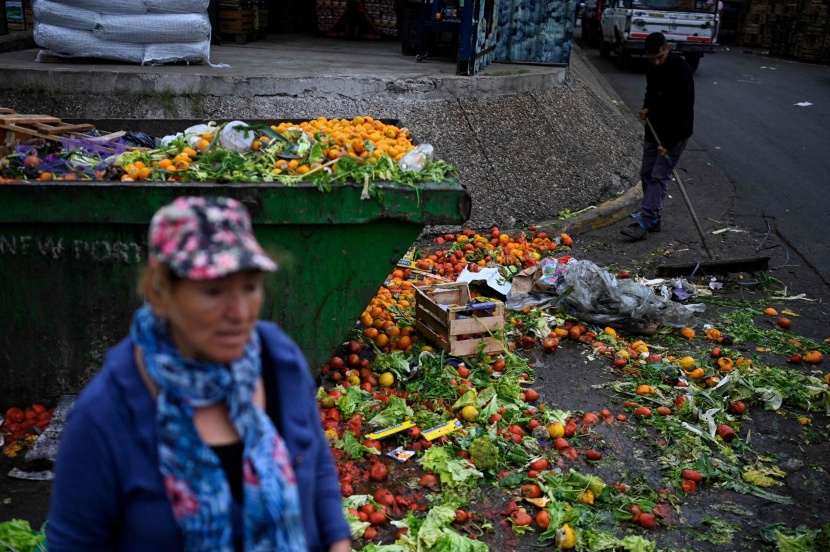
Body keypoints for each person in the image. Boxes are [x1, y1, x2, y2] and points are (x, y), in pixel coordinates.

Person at [47, 196, 352, 552]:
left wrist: (338, 541)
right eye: (213, 291)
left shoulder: (278, 360)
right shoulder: (104, 417)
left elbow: (316, 466)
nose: (239, 312)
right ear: (159, 293)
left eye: (250, 286)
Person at [621, 32, 695, 240]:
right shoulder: (651, 66)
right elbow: (652, 91)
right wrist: (647, 106)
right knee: (646, 173)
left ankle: (645, 221)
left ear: (667, 49)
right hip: (655, 128)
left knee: (658, 177)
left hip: (675, 133)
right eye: (651, 58)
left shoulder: (681, 69)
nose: (655, 62)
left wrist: (670, 143)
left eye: (659, 57)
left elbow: (684, 110)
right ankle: (654, 218)